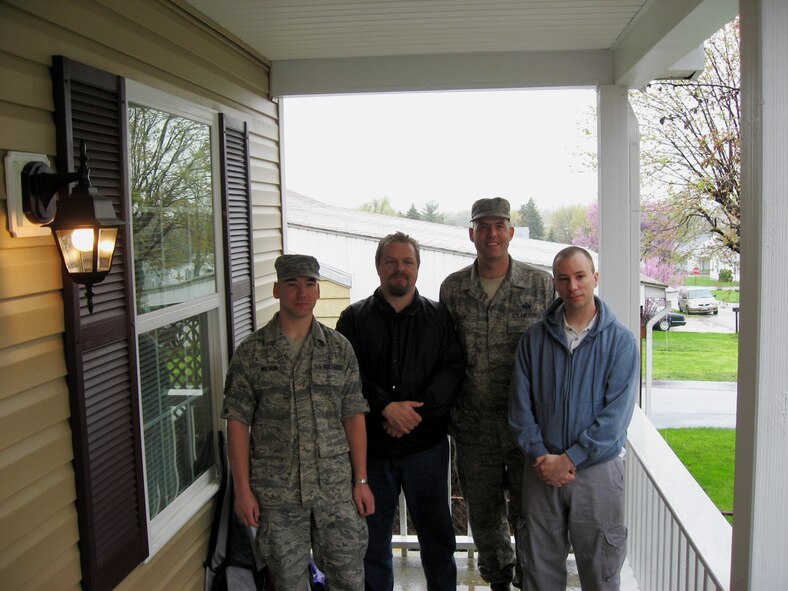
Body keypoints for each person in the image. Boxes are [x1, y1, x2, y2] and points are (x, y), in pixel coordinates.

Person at [221, 254, 375, 591]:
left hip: (335, 489)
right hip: (277, 494)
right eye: (292, 285)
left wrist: (361, 479)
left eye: (309, 284)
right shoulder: (251, 353)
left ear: (319, 291)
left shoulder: (338, 349)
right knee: (289, 583)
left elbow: (353, 415)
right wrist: (243, 490)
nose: (301, 293)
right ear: (277, 289)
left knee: (349, 579)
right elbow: (237, 422)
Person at [336, 232, 465, 591]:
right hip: (373, 453)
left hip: (427, 451)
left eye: (407, 261)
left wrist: (411, 415)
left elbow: (452, 369)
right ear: (378, 266)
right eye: (391, 261)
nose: (399, 268)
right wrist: (385, 408)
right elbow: (348, 377)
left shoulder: (439, 318)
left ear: (418, 268)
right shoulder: (353, 319)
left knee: (438, 541)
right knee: (372, 543)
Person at [439, 198, 555, 591]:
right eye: (483, 226)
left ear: (510, 231)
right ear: (472, 233)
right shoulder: (454, 288)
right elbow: (447, 355)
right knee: (485, 515)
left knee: (530, 513)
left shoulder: (540, 284)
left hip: (528, 428)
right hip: (473, 428)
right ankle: (499, 582)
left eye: (499, 225)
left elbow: (560, 346)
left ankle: (531, 579)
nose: (492, 233)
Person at [508, 246, 639, 591]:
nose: (573, 286)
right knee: (539, 570)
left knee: (600, 570)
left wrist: (570, 459)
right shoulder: (534, 340)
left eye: (580, 276)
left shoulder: (621, 343)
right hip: (541, 470)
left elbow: (615, 420)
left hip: (596, 472)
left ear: (594, 278)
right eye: (564, 279)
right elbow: (520, 410)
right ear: (555, 283)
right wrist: (542, 456)